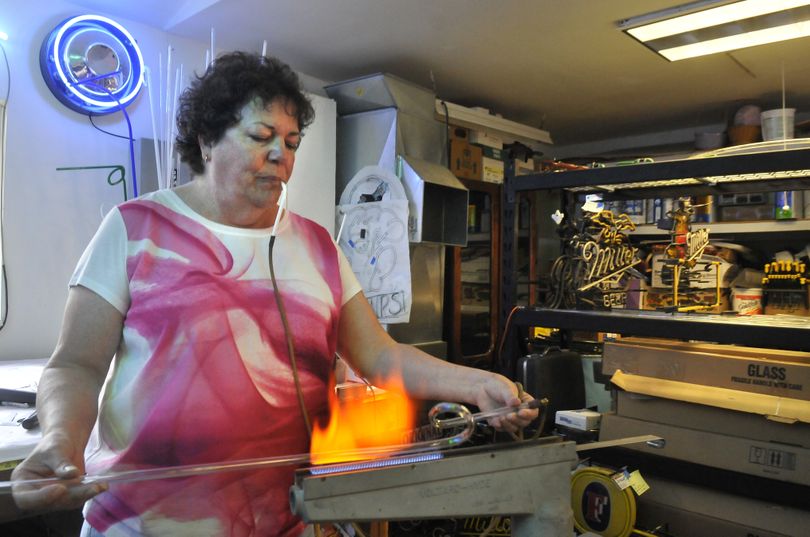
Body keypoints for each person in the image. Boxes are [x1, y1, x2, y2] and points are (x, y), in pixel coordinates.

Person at [12, 51, 537, 537]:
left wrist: (479, 385)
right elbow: (75, 365)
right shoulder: (136, 228)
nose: (278, 157)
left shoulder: (318, 247)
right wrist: (60, 442)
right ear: (206, 139)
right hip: (140, 523)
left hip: (284, 521)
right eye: (261, 135)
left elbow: (380, 357)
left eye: (290, 143)